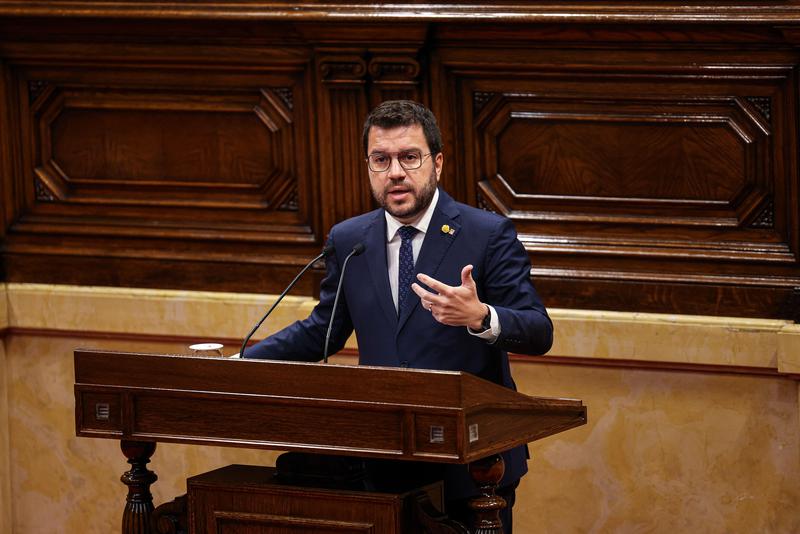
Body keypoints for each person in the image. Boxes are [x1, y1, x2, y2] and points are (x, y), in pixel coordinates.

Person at [243, 99, 553, 533]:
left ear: (437, 163)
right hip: (383, 461)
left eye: (409, 157)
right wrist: (241, 366)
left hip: (475, 468)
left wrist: (481, 316)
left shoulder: (486, 233)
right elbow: (323, 332)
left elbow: (539, 331)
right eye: (381, 159)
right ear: (368, 165)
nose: (395, 172)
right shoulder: (351, 239)